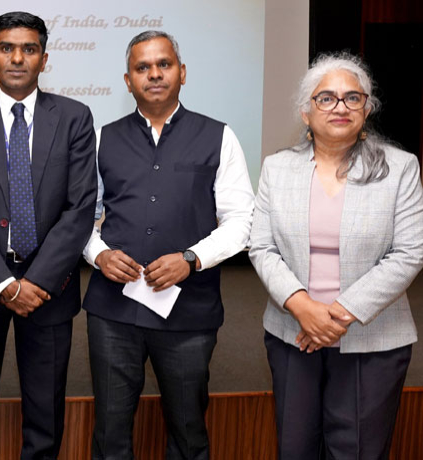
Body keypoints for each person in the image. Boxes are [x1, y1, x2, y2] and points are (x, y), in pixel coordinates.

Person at [81, 30, 254, 459]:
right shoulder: (103, 138)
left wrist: (192, 259)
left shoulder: (219, 136)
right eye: (142, 67)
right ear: (127, 80)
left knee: (188, 431)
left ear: (182, 72)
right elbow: (78, 217)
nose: (154, 74)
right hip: (113, 311)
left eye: (164, 65)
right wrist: (97, 253)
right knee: (111, 432)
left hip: (188, 311)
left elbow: (242, 221)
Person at [0, 11, 97, 459]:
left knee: (46, 416)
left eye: (29, 49)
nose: (17, 58)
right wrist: (6, 285)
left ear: (44, 59)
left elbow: (80, 207)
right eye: (7, 48)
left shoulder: (74, 118)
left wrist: (36, 284)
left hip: (50, 288)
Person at [249, 53, 423, 459]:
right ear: (306, 114)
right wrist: (302, 306)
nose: (340, 106)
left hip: (373, 338)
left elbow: (409, 253)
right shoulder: (278, 168)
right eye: (326, 98)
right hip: (292, 332)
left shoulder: (401, 168)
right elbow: (261, 246)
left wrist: (336, 314)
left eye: (352, 98)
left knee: (357, 451)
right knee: (295, 448)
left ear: (367, 109)